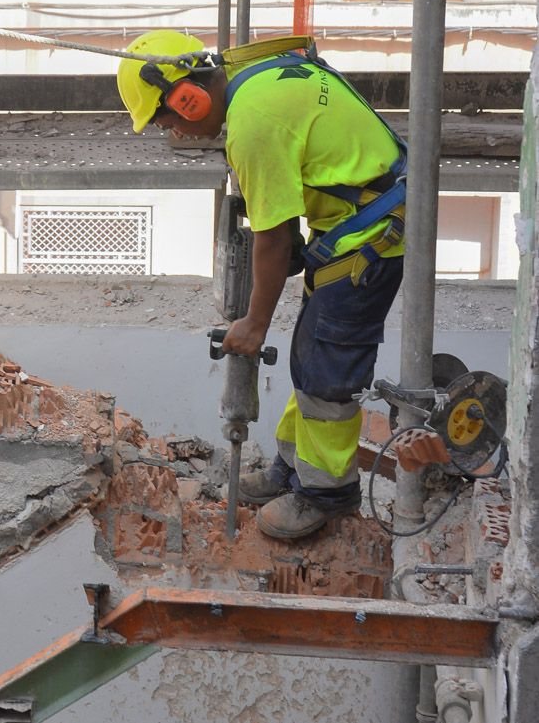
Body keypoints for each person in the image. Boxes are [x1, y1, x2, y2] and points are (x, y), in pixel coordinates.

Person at [115, 30, 407, 540]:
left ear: (188, 98)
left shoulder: (251, 123)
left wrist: (254, 322)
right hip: (351, 224)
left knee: (328, 372)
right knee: (309, 356)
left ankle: (327, 494)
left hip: (373, 237)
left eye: (164, 120)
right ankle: (292, 470)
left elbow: (271, 238)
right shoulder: (254, 80)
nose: (172, 133)